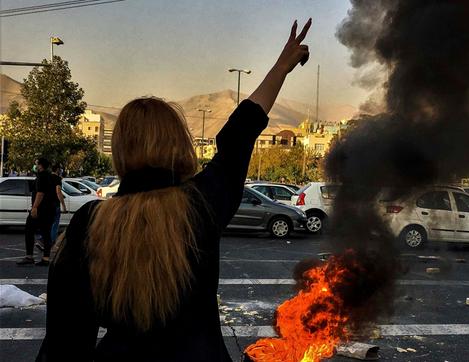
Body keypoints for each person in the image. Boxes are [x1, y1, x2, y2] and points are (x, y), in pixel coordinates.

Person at [36, 19, 311, 361]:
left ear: (121, 150)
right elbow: (239, 134)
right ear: (179, 143)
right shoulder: (201, 204)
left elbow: (65, 341)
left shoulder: (89, 223)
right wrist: (281, 68)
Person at [17, 158, 58, 266]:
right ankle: (46, 258)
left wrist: (34, 207)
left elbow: (40, 193)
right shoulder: (51, 176)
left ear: (40, 165)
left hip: (41, 210)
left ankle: (29, 256)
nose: (35, 166)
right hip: (50, 209)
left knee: (29, 229)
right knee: (46, 233)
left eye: (36, 164)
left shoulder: (42, 176)